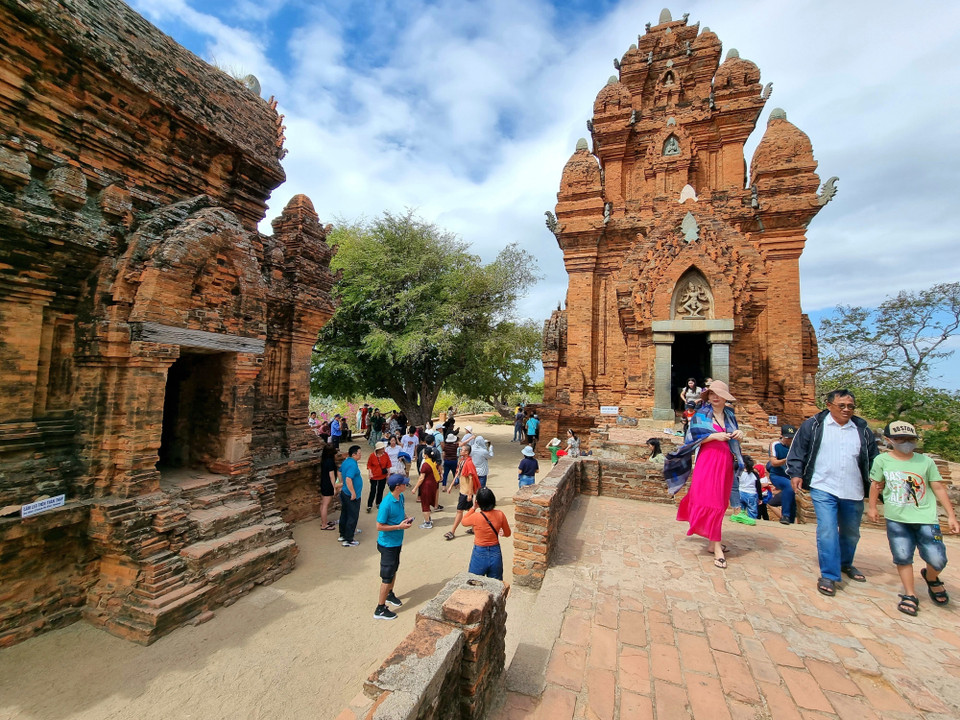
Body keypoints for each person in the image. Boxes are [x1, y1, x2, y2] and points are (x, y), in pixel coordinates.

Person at [786, 389, 879, 596]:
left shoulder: (862, 429)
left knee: (851, 533)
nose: (847, 410)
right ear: (829, 405)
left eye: (850, 406)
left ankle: (845, 563)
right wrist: (796, 473)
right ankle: (829, 574)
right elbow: (798, 450)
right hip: (823, 485)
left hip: (853, 488)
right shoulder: (814, 425)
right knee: (827, 529)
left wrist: (877, 481)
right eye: (841, 405)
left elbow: (873, 457)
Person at [868, 420, 959, 616]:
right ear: (889, 440)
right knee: (902, 556)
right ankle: (910, 594)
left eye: (911, 439)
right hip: (897, 518)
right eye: (901, 439)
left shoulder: (925, 462)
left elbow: (938, 487)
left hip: (926, 518)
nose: (906, 443)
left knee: (938, 559)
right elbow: (876, 484)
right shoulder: (882, 461)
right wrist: (873, 507)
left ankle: (931, 577)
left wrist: (951, 516)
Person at [673, 381, 744, 569]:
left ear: (725, 397)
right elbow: (691, 439)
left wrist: (739, 434)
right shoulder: (702, 415)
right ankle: (718, 548)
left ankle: (713, 543)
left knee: (721, 503)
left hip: (725, 462)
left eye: (718, 394)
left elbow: (734, 437)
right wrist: (713, 436)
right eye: (712, 394)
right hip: (708, 461)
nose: (715, 397)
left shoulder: (729, 415)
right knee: (712, 501)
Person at [373, 473, 414, 620]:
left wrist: (406, 518)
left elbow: (401, 512)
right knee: (386, 576)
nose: (406, 485)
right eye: (404, 483)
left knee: (394, 569)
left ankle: (389, 594)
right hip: (387, 545)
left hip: (396, 542)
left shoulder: (400, 497)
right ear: (397, 487)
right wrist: (398, 526)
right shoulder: (386, 504)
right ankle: (380, 609)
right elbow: (379, 526)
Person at [462, 488, 512, 580]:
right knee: (496, 583)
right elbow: (508, 533)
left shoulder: (476, 516)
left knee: (474, 581)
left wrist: (473, 508)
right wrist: (503, 533)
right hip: (495, 551)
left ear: (478, 502)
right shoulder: (500, 514)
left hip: (479, 551)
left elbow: (464, 521)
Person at [444, 444, 478, 540]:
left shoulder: (468, 463)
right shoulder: (462, 461)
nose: (460, 451)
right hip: (464, 490)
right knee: (470, 509)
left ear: (466, 452)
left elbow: (471, 478)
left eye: (462, 450)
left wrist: (470, 493)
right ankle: (474, 528)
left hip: (465, 491)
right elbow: (457, 473)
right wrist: (451, 485)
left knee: (459, 510)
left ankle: (452, 531)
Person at [767, 425, 796, 524]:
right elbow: (773, 462)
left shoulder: (795, 445)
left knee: (792, 497)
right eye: (788, 438)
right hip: (777, 475)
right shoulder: (776, 445)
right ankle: (785, 515)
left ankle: (791, 519)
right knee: (789, 486)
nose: (790, 440)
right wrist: (786, 460)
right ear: (782, 436)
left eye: (792, 438)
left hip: (790, 476)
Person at [338, 445, 364, 547]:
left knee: (345, 514)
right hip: (351, 495)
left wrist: (341, 483)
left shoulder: (347, 461)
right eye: (359, 453)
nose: (361, 455)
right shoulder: (352, 464)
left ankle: (343, 534)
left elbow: (339, 472)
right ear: (354, 454)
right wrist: (353, 492)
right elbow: (348, 479)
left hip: (345, 492)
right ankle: (349, 539)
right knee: (352, 516)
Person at [411, 446, 442, 529]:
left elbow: (421, 478)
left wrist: (415, 488)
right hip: (432, 485)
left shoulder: (425, 465)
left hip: (426, 487)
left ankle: (427, 522)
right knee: (428, 502)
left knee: (425, 505)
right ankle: (428, 519)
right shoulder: (432, 462)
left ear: (425, 455)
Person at [366, 441, 392, 513]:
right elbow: (369, 465)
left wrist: (388, 474)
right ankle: (369, 505)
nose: (383, 450)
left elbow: (388, 464)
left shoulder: (385, 455)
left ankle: (378, 503)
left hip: (382, 476)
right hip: (374, 476)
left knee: (380, 490)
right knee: (373, 490)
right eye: (382, 448)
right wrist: (370, 473)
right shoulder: (372, 456)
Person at [732, 455, 759, 525]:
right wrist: (760, 497)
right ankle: (752, 521)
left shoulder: (738, 473)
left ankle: (740, 521)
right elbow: (758, 486)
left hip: (740, 492)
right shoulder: (755, 474)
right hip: (751, 494)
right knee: (752, 511)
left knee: (740, 510)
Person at [318, 442, 338, 530]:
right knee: (325, 504)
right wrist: (334, 487)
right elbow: (331, 476)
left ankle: (324, 521)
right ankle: (324, 525)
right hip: (328, 484)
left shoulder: (324, 460)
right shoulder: (330, 462)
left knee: (323, 503)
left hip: (324, 482)